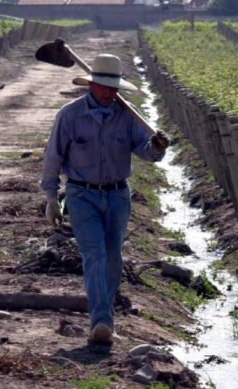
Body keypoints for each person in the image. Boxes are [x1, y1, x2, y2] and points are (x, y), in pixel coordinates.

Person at [41, 53, 170, 346]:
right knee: (94, 255)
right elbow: (53, 157)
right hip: (80, 194)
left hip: (117, 195)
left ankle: (105, 316)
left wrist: (158, 146)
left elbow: (146, 152)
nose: (109, 92)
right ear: (91, 85)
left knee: (113, 260)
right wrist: (51, 196)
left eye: (113, 88)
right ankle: (101, 322)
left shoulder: (128, 115)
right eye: (103, 86)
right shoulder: (70, 115)